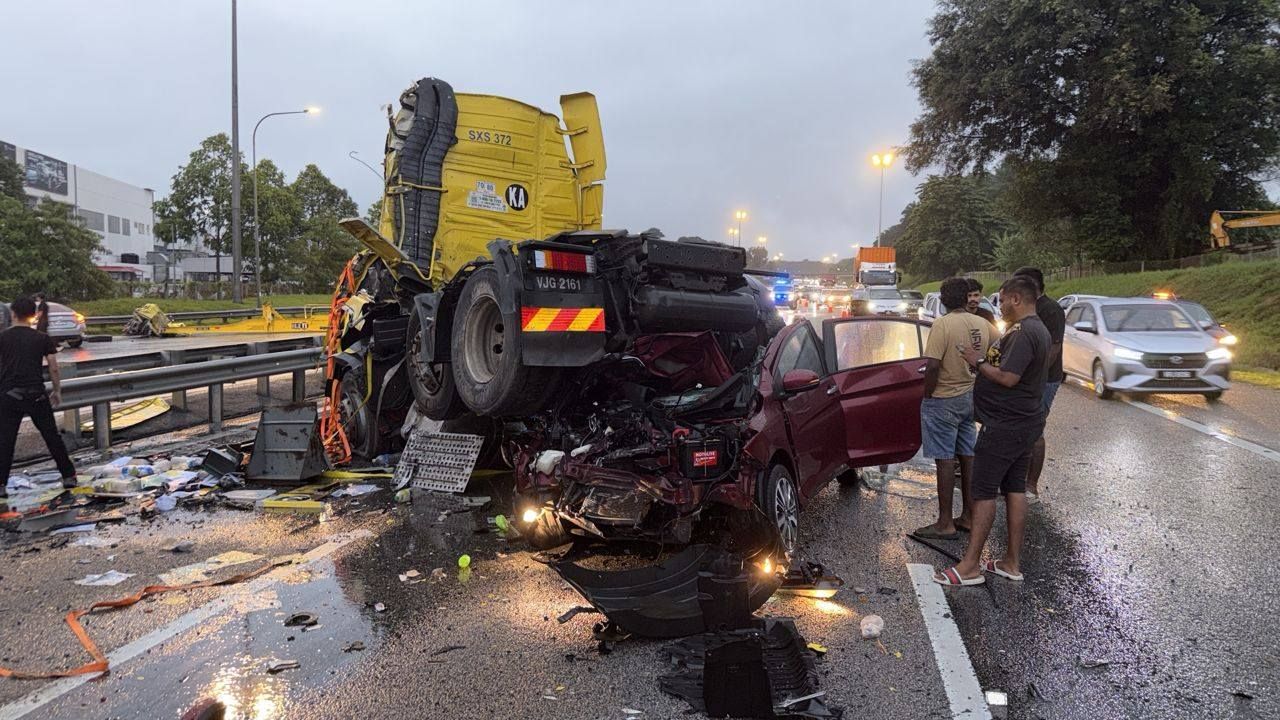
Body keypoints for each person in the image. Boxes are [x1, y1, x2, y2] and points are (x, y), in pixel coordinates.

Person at [933, 276, 1049, 586]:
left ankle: (970, 566)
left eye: (1000, 300)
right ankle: (1011, 561)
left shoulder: (1025, 333)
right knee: (1014, 489)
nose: (997, 306)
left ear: (1015, 299)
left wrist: (977, 362)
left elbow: (1009, 378)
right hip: (1023, 423)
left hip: (1004, 425)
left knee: (983, 492)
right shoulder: (1035, 330)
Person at [915, 278, 992, 540]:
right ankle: (969, 516)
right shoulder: (983, 323)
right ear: (965, 298)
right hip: (969, 397)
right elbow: (998, 351)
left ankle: (945, 522)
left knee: (945, 460)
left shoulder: (943, 324)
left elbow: (933, 366)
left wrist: (928, 395)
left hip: (944, 398)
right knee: (968, 455)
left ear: (945, 300)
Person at [0, 296, 76, 498]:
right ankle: (68, 475)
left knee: (5, 440)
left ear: (13, 314)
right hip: (36, 394)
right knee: (51, 436)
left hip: (9, 394)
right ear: (33, 315)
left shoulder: (2, 337)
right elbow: (53, 367)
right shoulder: (42, 338)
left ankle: (1, 484)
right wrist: (57, 390)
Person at [1012, 267, 1065, 502]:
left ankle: (1031, 486)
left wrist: (1035, 375)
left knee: (1035, 430)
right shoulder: (1023, 309)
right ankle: (1014, 480)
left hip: (1044, 380)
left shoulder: (1050, 310)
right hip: (1023, 378)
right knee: (1019, 427)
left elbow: (1053, 348)